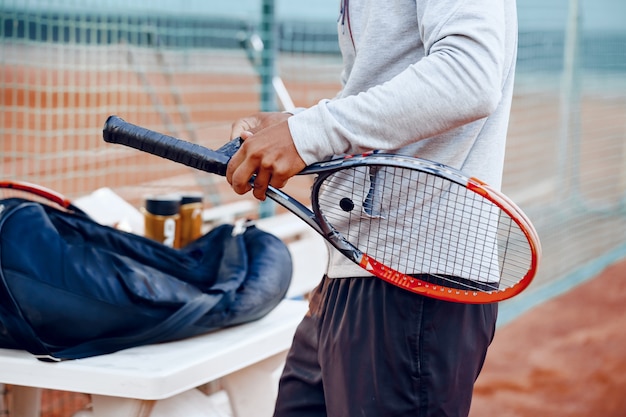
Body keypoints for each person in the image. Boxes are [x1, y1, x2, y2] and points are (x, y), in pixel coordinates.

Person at [226, 0, 518, 415]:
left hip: (414, 279)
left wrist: (307, 134)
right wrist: (294, 124)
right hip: (353, 268)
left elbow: (470, 76)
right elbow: (384, 98)